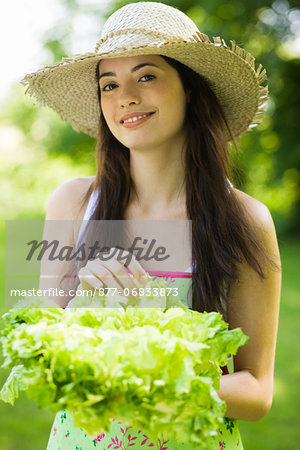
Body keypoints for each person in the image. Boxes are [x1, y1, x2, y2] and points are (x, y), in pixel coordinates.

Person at [21, 2, 281, 449]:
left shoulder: (245, 220)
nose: (125, 97)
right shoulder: (74, 204)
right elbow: (45, 358)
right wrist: (83, 312)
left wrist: (153, 376)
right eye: (109, 84)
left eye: (146, 76)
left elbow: (255, 391)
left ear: (191, 90)